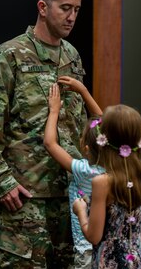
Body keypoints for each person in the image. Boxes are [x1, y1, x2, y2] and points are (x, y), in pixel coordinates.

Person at [0, 0, 87, 268]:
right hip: (23, 198)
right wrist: (2, 182)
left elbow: (78, 124)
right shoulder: (9, 56)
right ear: (43, 8)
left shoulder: (72, 56)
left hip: (69, 196)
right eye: (65, 8)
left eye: (77, 10)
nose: (72, 17)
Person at [73, 104, 141, 269]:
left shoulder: (102, 182)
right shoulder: (140, 177)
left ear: (104, 139)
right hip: (137, 261)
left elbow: (94, 236)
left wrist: (81, 211)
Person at [43, 77, 105, 268]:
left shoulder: (84, 171)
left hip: (86, 249)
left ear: (85, 148)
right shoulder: (116, 168)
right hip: (107, 249)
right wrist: (84, 92)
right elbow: (103, 123)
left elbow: (50, 143)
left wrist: (54, 110)